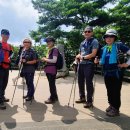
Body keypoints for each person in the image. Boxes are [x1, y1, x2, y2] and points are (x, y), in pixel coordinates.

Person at [95, 29, 130, 117]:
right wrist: (97, 61)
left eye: (111, 36)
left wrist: (126, 64)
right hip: (107, 72)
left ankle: (116, 109)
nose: (109, 38)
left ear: (114, 38)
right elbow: (103, 61)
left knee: (116, 91)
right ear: (105, 38)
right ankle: (111, 105)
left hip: (117, 72)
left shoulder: (119, 46)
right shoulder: (104, 48)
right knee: (109, 90)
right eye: (107, 36)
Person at [75, 26, 99, 108]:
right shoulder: (82, 43)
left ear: (92, 33)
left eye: (89, 31)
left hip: (89, 64)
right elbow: (80, 53)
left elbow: (93, 54)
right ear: (83, 33)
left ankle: (89, 101)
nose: (87, 33)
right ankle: (82, 97)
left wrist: (83, 57)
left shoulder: (94, 41)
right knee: (80, 81)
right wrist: (78, 56)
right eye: (85, 31)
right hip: (81, 64)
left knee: (88, 82)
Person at [42, 37, 58, 104]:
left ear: (53, 42)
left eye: (49, 41)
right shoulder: (49, 50)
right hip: (49, 69)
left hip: (52, 69)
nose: (48, 42)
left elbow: (54, 60)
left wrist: (45, 59)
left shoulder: (54, 50)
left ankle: (52, 98)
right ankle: (55, 96)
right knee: (52, 84)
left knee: (51, 84)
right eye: (47, 41)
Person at [0, 29, 13, 110]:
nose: (6, 36)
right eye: (4, 34)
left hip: (7, 66)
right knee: (0, 84)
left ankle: (2, 96)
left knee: (5, 83)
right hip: (0, 66)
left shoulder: (9, 46)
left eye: (8, 34)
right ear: (1, 35)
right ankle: (0, 101)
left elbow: (10, 55)